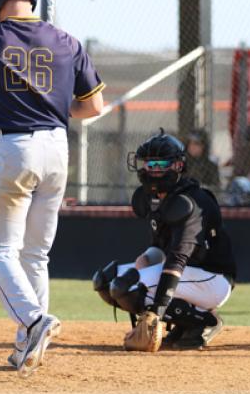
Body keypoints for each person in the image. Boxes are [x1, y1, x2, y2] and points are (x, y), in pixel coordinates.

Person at [0, 0, 105, 376]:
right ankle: (29, 341)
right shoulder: (66, 41)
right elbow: (94, 107)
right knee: (35, 254)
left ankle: (33, 320)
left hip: (14, 146)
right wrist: (54, 107)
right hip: (58, 147)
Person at [93, 130, 236, 350]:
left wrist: (156, 311)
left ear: (177, 166)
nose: (154, 170)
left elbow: (177, 259)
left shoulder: (191, 201)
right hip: (186, 274)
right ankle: (183, 325)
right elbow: (161, 248)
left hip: (212, 278)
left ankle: (204, 322)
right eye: (150, 165)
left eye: (160, 165)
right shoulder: (155, 197)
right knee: (106, 280)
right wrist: (146, 258)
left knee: (127, 286)